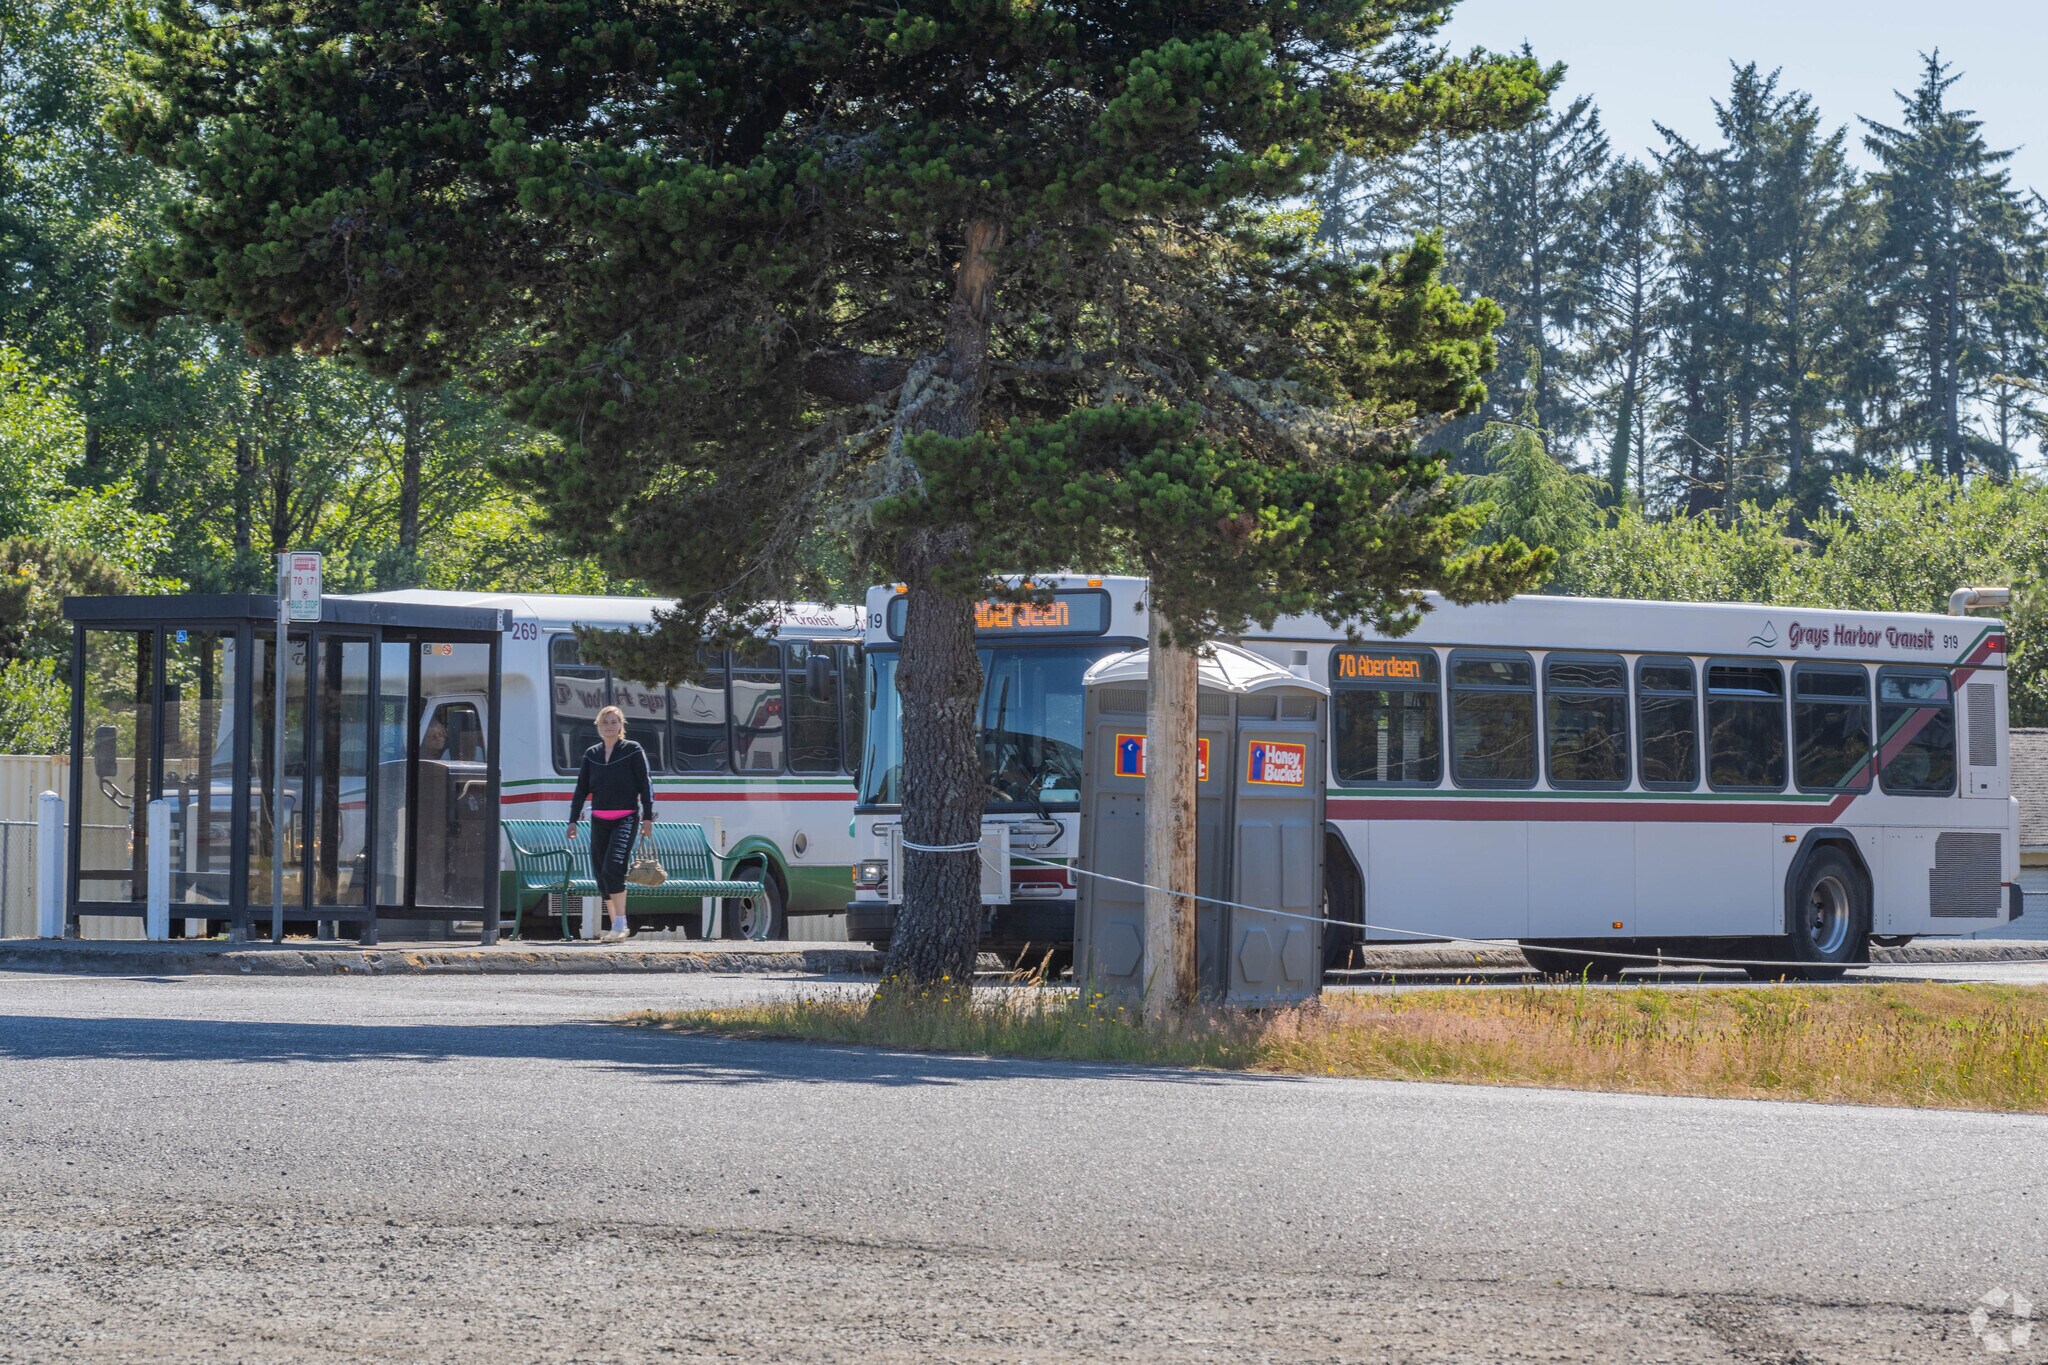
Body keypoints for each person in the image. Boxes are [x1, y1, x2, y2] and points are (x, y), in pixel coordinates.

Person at [566, 705, 656, 941]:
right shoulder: (591, 754)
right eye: (605, 722)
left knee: (613, 867)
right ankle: (616, 924)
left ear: (621, 725)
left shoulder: (632, 750)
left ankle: (620, 923)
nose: (609, 726)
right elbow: (581, 789)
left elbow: (645, 785)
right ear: (598, 725)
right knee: (600, 872)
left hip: (625, 817)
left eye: (614, 722)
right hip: (599, 819)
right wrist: (572, 820)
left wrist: (647, 817)